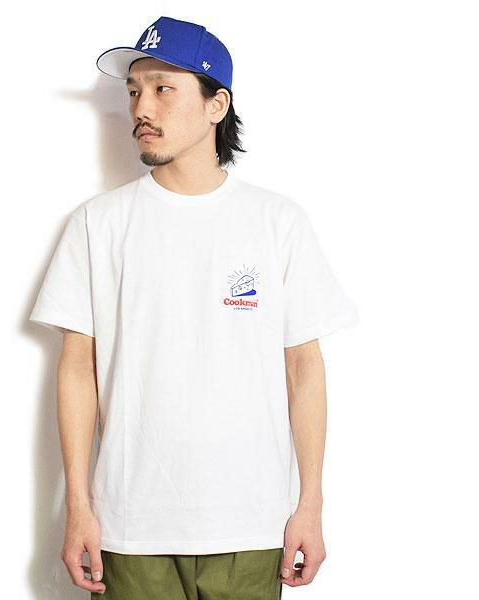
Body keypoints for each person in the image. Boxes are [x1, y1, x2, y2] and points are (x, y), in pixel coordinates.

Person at [29, 15, 359, 599]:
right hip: (130, 528)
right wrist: (77, 507)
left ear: (216, 105)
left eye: (163, 89)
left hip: (252, 525)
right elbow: (77, 368)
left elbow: (304, 369)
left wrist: (310, 504)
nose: (142, 108)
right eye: (134, 91)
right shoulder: (98, 224)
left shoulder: (276, 222)